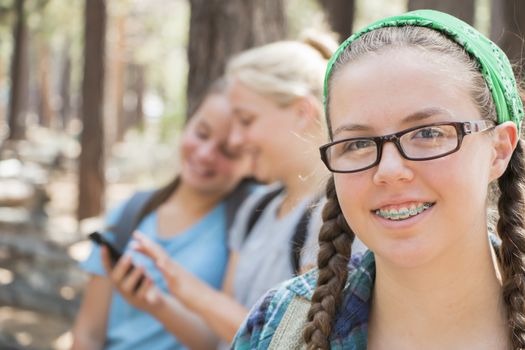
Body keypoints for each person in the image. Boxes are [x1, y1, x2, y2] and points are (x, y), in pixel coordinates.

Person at [232, 9, 525, 350]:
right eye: (357, 143)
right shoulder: (276, 325)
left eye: (428, 133)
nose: (388, 170)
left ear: (499, 149)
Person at [129, 34, 365, 349]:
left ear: (302, 112)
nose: (235, 140)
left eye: (246, 120)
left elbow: (292, 338)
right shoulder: (257, 209)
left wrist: (190, 290)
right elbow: (219, 339)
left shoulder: (337, 216)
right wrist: (159, 297)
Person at [70, 79, 253, 350]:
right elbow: (88, 334)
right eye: (202, 134)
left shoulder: (245, 230)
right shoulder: (128, 213)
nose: (205, 155)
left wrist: (155, 304)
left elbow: (223, 342)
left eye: (228, 151)